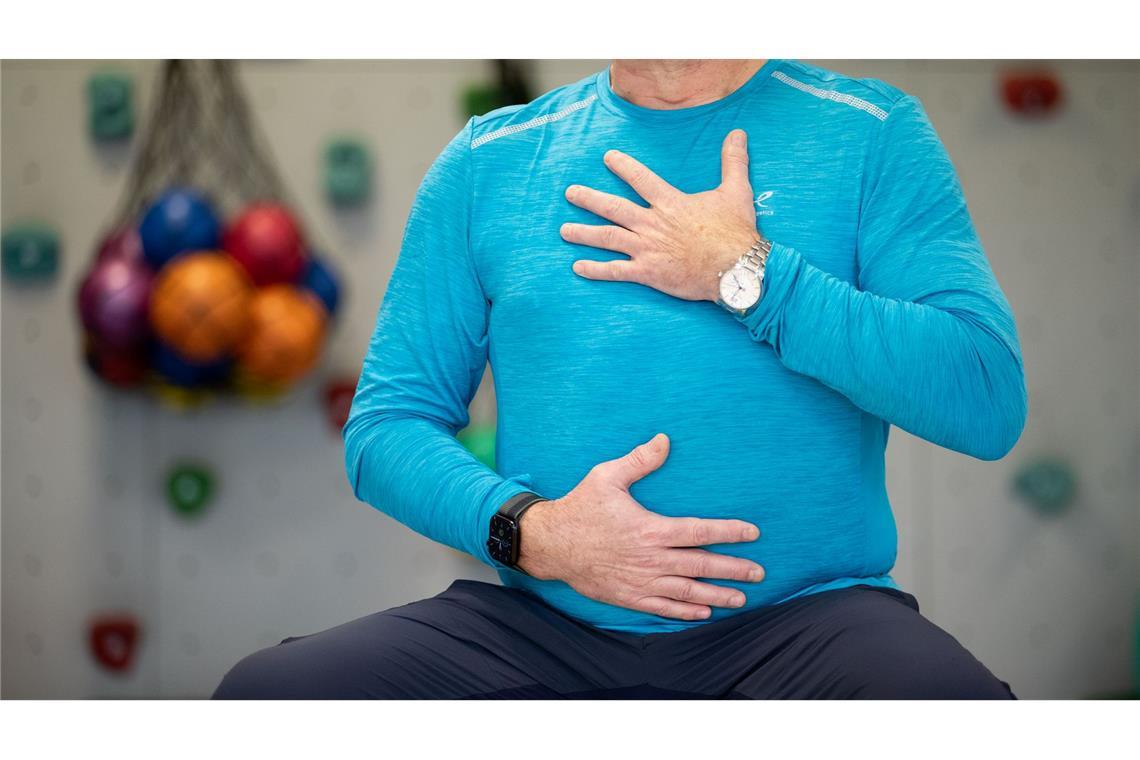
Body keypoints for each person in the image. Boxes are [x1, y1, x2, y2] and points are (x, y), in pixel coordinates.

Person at [215, 59, 1026, 699]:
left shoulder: (872, 134)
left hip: (809, 624)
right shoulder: (485, 163)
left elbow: (985, 397)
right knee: (266, 698)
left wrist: (746, 274)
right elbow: (386, 428)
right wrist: (532, 533)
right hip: (542, 623)